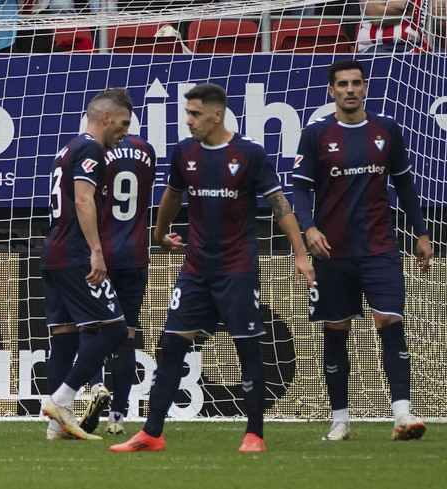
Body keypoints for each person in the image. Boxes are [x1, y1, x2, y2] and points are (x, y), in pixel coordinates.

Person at [110, 83, 315, 453]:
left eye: (195, 114)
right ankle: (152, 433)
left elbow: (280, 205)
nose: (188, 121)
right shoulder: (184, 152)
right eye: (187, 113)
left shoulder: (249, 153)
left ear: (217, 114)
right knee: (171, 346)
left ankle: (254, 435)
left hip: (236, 269)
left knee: (248, 349)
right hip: (195, 270)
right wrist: (158, 235)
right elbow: (172, 195)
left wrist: (300, 253)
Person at [291, 59, 433, 441]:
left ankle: (402, 415)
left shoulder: (387, 130)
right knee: (336, 331)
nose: (350, 89)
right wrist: (309, 229)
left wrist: (420, 233)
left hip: (380, 247)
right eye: (343, 84)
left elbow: (404, 185)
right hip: (332, 252)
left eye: (356, 83)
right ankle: (341, 420)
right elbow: (300, 189)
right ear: (331, 91)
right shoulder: (316, 134)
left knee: (390, 323)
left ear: (365, 87)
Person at [41, 88, 133, 441]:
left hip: (53, 251)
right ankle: (61, 402)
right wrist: (96, 250)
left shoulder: (68, 147)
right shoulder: (91, 148)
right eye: (123, 123)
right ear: (105, 117)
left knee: (65, 339)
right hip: (75, 254)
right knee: (113, 329)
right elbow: (82, 198)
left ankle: (56, 428)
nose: (125, 131)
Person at [77, 134, 157, 436]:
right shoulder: (146, 150)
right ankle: (118, 418)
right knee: (126, 336)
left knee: (92, 328)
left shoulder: (95, 150)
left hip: (102, 252)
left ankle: (97, 386)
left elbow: (85, 197)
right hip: (135, 254)